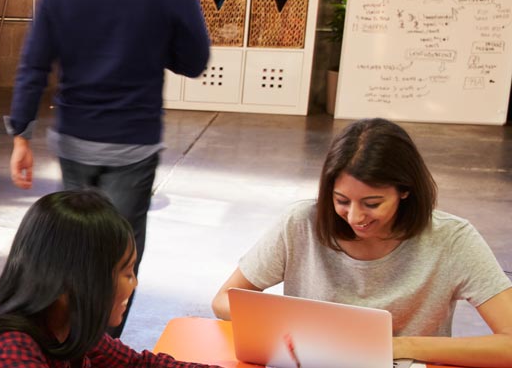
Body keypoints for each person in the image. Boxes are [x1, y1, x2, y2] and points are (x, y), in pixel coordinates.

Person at [5, 0, 211, 336]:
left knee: (78, 247)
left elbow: (33, 66)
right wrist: (157, 48)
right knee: (120, 253)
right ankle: (104, 345)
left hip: (76, 141)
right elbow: (196, 61)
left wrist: (21, 135)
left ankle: (69, 340)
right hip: (133, 145)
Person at [211, 118, 512, 366]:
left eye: (372, 203)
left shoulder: (452, 240)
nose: (354, 217)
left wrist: (397, 346)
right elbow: (224, 300)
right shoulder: (301, 223)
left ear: (404, 191)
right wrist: (291, 327)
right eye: (341, 200)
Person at [0, 191, 215, 368]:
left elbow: (138, 364)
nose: (134, 284)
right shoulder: (11, 349)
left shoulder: (69, 325)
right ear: (78, 279)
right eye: (127, 273)